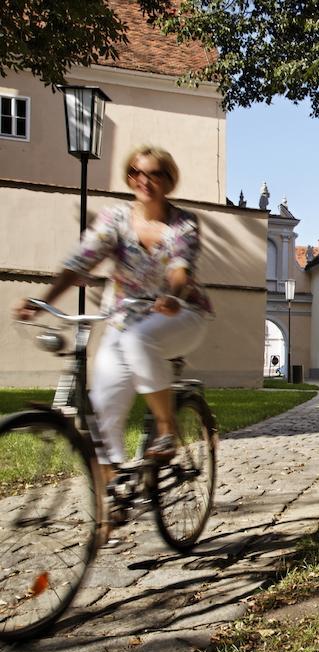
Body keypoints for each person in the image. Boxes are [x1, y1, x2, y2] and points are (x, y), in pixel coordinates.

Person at [13, 145, 212, 489]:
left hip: (182, 313)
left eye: (153, 174)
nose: (143, 180)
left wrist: (171, 296)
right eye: (136, 172)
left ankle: (167, 430)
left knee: (140, 340)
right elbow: (79, 262)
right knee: (104, 408)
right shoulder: (115, 221)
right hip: (124, 318)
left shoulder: (183, 223)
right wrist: (41, 299)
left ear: (168, 181)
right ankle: (115, 496)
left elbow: (180, 268)